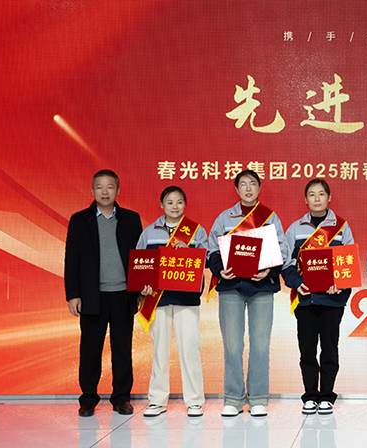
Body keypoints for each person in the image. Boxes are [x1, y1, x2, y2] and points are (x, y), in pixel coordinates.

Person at [207, 170, 286, 418]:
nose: (248, 188)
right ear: (236, 189)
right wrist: (220, 271)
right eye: (243, 184)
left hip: (261, 288)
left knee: (260, 345)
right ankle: (233, 398)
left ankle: (258, 398)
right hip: (231, 287)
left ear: (259, 188)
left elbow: (282, 250)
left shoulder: (270, 217)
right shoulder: (224, 218)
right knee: (232, 345)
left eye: (253, 183)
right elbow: (212, 250)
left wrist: (269, 270)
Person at [64, 169, 142, 417]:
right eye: (99, 187)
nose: (105, 192)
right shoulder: (79, 220)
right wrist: (73, 294)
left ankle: (121, 398)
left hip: (123, 295)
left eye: (110, 187)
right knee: (90, 349)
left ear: (118, 190)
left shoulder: (131, 219)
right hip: (91, 296)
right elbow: (71, 260)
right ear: (92, 190)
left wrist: (140, 290)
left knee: (122, 350)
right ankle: (88, 398)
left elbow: (139, 258)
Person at [282, 179, 355, 416]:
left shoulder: (341, 227)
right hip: (305, 299)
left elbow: (348, 263)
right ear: (306, 200)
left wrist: (340, 284)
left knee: (330, 349)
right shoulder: (295, 228)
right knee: (307, 349)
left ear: (329, 197)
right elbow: (287, 263)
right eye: (312, 194)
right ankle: (310, 395)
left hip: (332, 301)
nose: (316, 198)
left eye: (321, 194)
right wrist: (297, 283)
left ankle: (327, 396)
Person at [136, 186, 209, 418]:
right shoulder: (149, 232)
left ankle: (194, 401)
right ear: (161, 205)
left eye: (179, 202)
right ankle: (157, 400)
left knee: (190, 349)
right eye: (169, 202)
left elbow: (207, 259)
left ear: (185, 204)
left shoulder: (196, 231)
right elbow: (140, 263)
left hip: (186, 297)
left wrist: (189, 251)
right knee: (160, 350)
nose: (174, 206)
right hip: (158, 298)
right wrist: (142, 287)